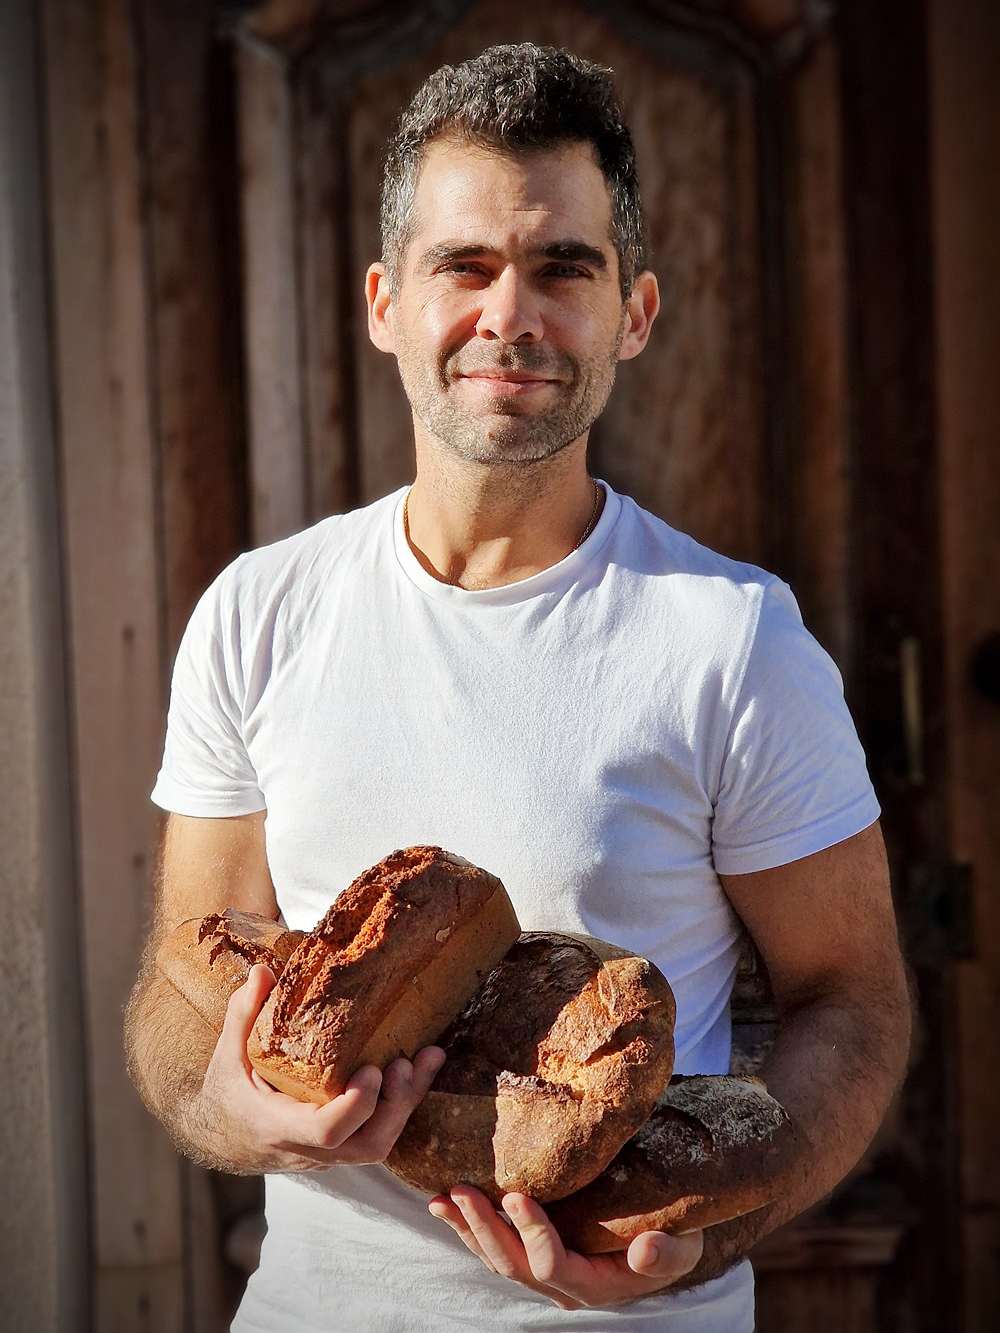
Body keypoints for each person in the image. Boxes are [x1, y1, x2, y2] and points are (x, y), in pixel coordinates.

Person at [125, 42, 911, 1331]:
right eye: (464, 266)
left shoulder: (733, 638)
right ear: (385, 302)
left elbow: (853, 1000)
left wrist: (711, 1241)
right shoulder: (260, 615)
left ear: (635, 314)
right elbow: (179, 980)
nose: (511, 316)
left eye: (564, 268)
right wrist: (234, 1111)